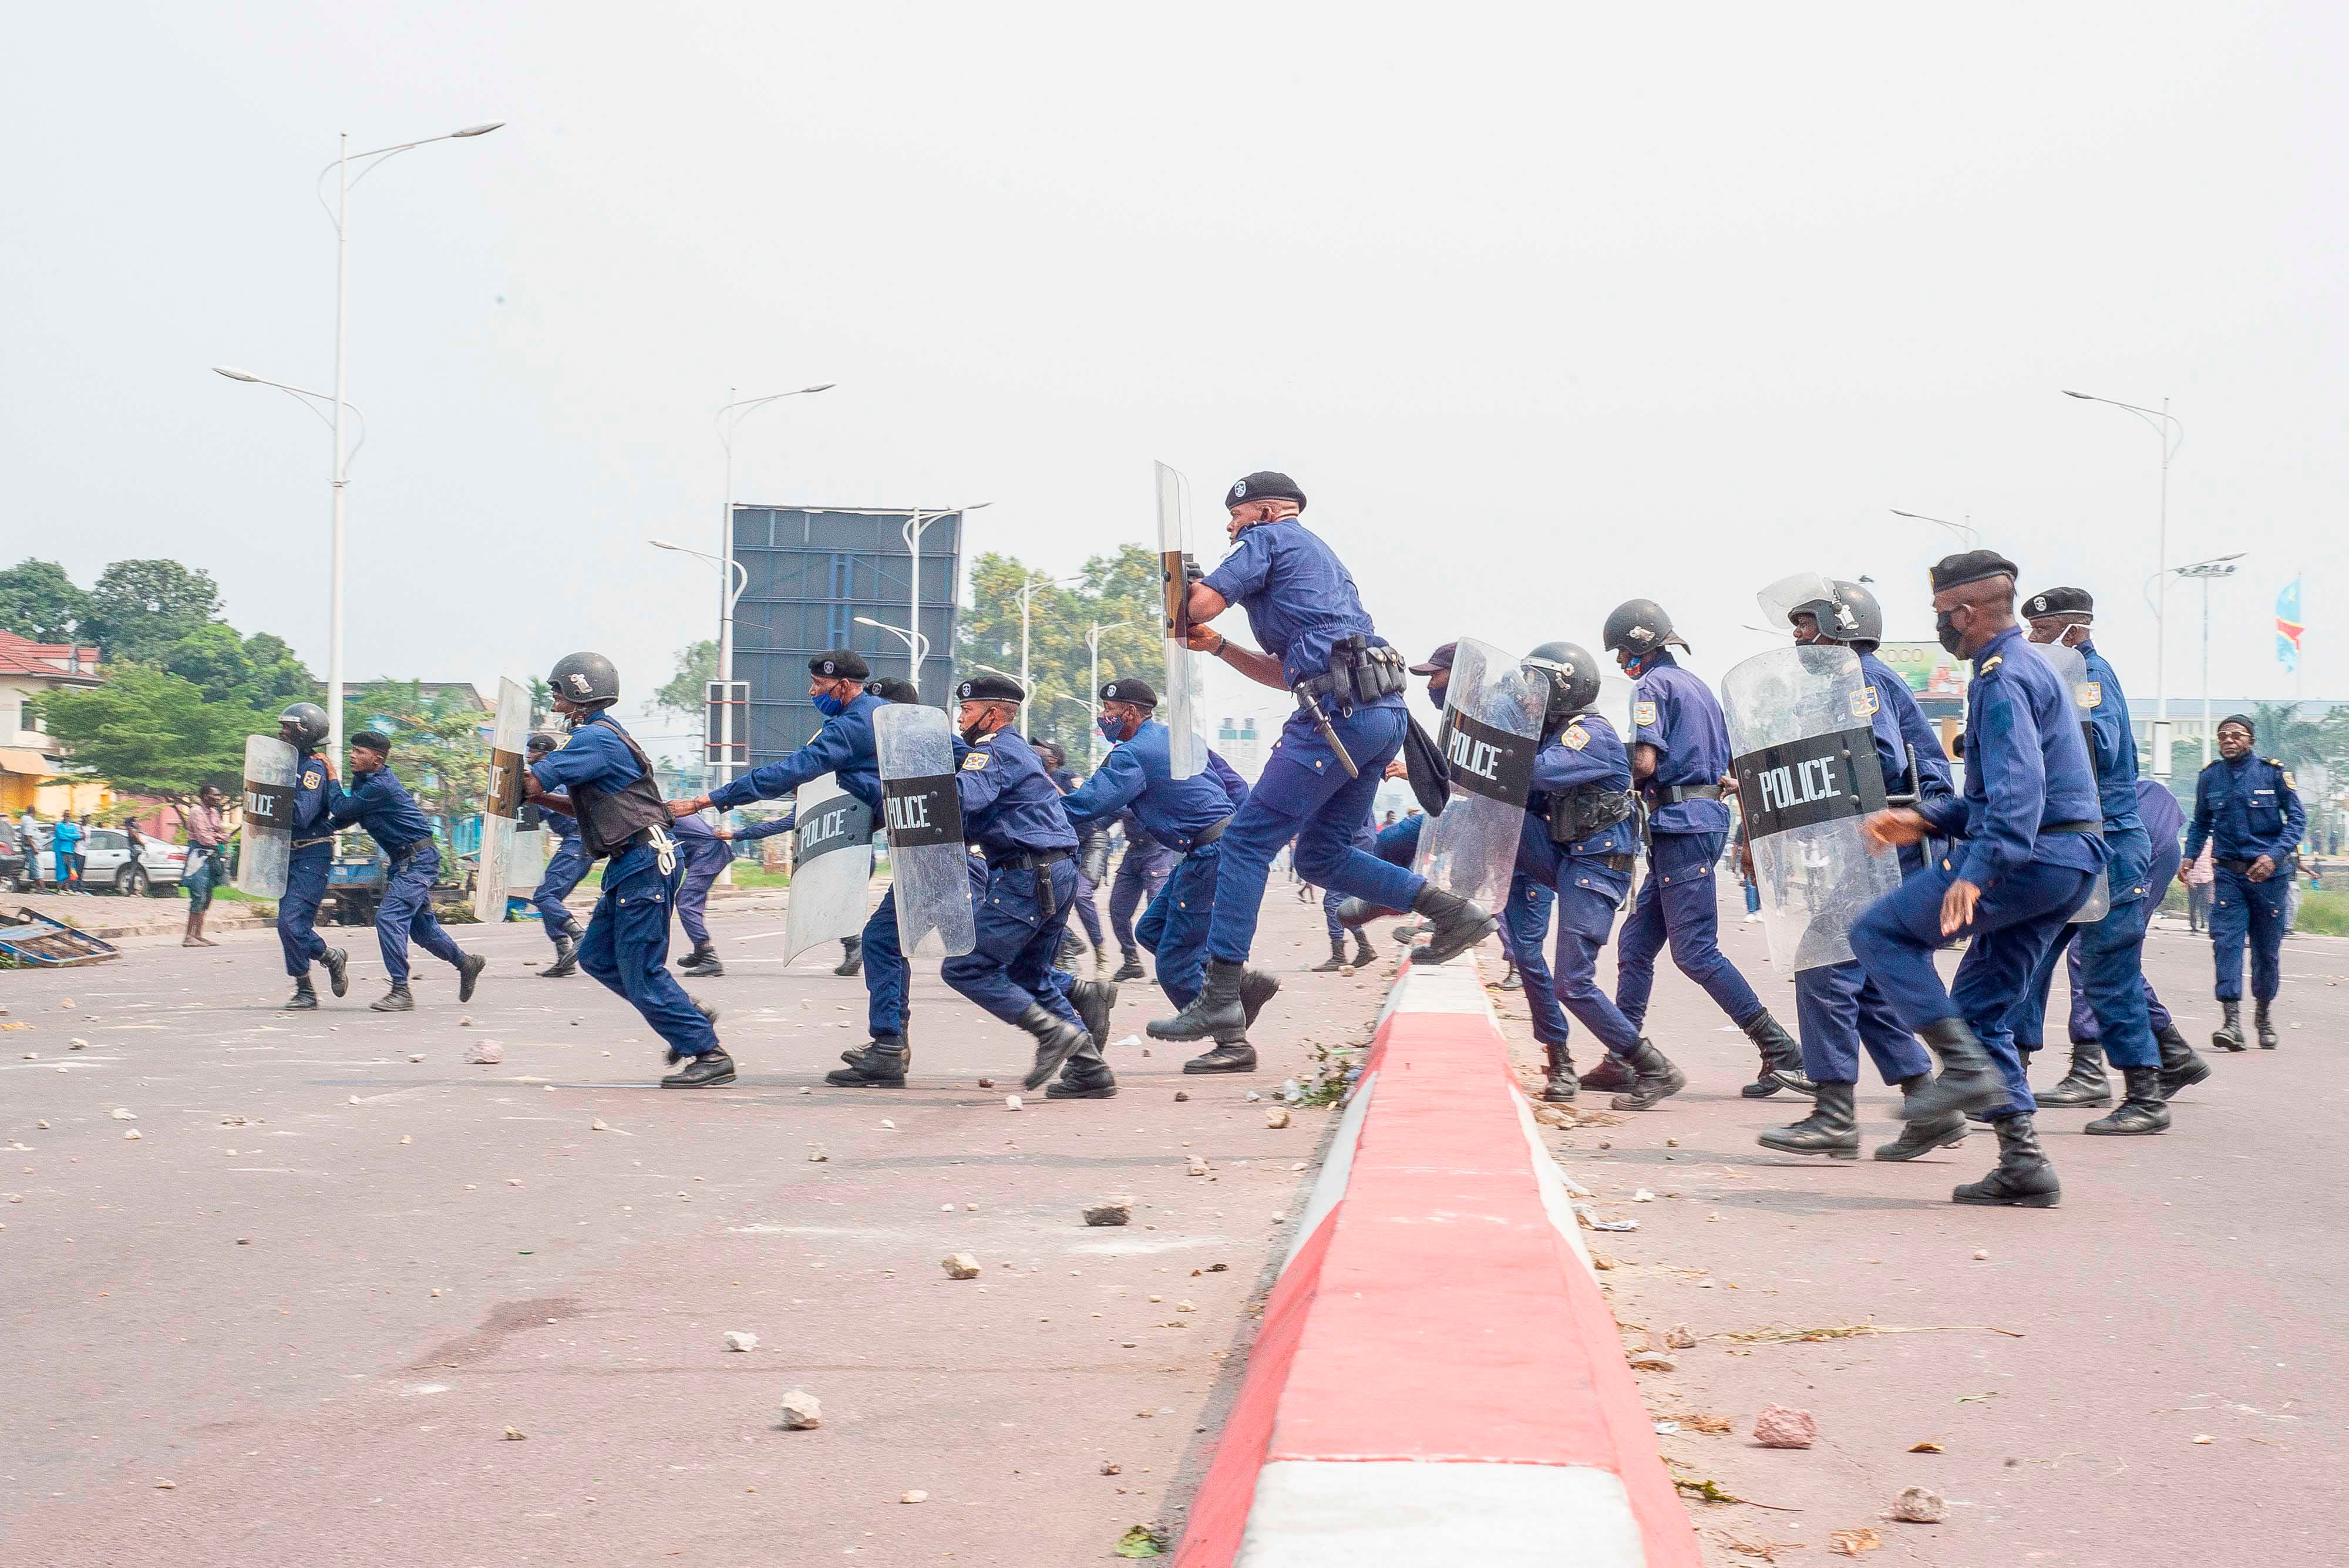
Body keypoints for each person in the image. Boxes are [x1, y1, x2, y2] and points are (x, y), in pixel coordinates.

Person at [1151, 473, 1495, 1049]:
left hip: (1336, 716)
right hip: (1374, 716)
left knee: (1245, 842)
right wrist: (1216, 646)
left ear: (1261, 512)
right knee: (1319, 855)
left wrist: (1182, 588)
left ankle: (1219, 1000)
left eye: (1233, 517)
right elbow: (1283, 671)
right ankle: (1453, 913)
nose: (1228, 528)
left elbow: (1199, 605)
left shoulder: (1267, 540)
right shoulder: (1321, 560)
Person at [1850, 551, 2105, 1208]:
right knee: (1981, 1010)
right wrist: (1922, 818)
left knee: (1878, 932)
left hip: (2030, 861)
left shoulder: (1999, 676)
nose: (1940, 627)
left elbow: (2020, 791)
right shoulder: (2024, 669)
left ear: (1964, 613)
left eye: (1940, 615)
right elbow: (1998, 798)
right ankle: (2024, 1163)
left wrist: (1981, 871)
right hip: (2064, 864)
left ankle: (1959, 1072)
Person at [1746, 580, 1967, 1161]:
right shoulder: (1847, 680)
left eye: (1806, 624)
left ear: (1841, 626)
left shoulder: (1859, 676)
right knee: (1864, 977)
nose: (1797, 637)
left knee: (1822, 963)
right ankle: (1927, 1100)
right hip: (1873, 839)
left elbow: (1882, 759)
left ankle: (1834, 1114)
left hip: (1887, 838)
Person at [844, 672, 1118, 1095]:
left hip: (1029, 875)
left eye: (968, 710)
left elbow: (959, 799)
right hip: (1053, 871)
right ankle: (1090, 1069)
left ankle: (1053, 1035)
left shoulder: (992, 753)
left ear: (992, 715)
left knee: (967, 967)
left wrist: (878, 788)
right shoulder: (1011, 750)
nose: (960, 718)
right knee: (1032, 976)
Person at [2004, 588, 2207, 1132]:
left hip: (2112, 841)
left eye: (2043, 631)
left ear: (2074, 631)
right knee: (2031, 956)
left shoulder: (2091, 677)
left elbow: (2101, 746)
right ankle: (2011, 1080)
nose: (2033, 639)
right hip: (2067, 841)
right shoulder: (2054, 681)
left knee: (2107, 967)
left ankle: (2145, 1096)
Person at [1588, 598, 1809, 1100]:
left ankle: (1781, 1049)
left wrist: (1600, 762)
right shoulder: (1699, 688)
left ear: (1639, 647)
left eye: (1623, 654)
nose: (1622, 665)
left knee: (1694, 950)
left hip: (1681, 825)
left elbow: (1644, 762)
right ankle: (1624, 1055)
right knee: (1636, 945)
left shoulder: (1651, 686)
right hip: (1699, 821)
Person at [667, 651, 896, 1069]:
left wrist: (709, 799)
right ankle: (889, 1048)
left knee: (971, 956)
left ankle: (1051, 1014)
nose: (813, 693)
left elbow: (790, 772)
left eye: (819, 686)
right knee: (883, 941)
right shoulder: (886, 714)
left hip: (935, 837)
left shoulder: (854, 725)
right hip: (917, 834)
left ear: (843, 686)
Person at [526, 652, 729, 1086]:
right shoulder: (604, 737)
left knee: (642, 970)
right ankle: (686, 1015)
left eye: (559, 693)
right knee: (598, 957)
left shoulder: (593, 740)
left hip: (645, 863)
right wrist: (536, 798)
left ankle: (709, 1053)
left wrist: (513, 782)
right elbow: (580, 803)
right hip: (631, 862)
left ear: (580, 693)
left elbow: (534, 780)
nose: (555, 702)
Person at [1061, 678, 1266, 1072]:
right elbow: (1237, 787)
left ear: (1131, 714)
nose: (1104, 720)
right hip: (1218, 848)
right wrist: (1248, 843)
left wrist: (1032, 812)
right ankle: (1236, 988)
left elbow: (1087, 804)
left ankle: (1232, 1043)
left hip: (1208, 854)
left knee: (1173, 962)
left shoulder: (1131, 755)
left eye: (1109, 713)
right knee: (1151, 931)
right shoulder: (1180, 738)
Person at [1512, 641, 1663, 1107]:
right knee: (1489, 816)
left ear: (1562, 690)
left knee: (1572, 983)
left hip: (1596, 867)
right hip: (1572, 857)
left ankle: (1652, 1067)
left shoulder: (1588, 735)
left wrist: (1491, 753)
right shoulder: (1558, 733)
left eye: (1536, 689)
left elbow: (1534, 774)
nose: (1528, 699)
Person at [2052, 777, 2210, 1095]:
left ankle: (2089, 1068)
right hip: (2123, 830)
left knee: (2095, 951)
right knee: (2110, 955)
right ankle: (2174, 1052)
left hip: (2134, 836)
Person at [327, 730, 486, 1012]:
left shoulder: (381, 786)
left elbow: (341, 806)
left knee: (388, 918)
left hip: (418, 861)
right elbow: (346, 816)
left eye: (359, 752)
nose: (352, 755)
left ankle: (401, 991)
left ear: (377, 760)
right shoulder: (366, 782)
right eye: (352, 750)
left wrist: (329, 775)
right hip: (406, 862)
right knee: (423, 931)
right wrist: (311, 831)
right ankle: (466, 963)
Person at [2184, 713, 2304, 1050]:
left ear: (2250, 740)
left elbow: (2296, 820)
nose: (2229, 740)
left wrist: (2274, 856)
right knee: (2226, 943)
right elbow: (2200, 823)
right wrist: (2189, 857)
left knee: (2267, 952)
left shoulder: (2273, 773)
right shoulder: (2210, 778)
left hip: (2270, 877)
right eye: (2223, 735)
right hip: (2229, 876)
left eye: (2236, 735)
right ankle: (2231, 1023)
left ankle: (2263, 1016)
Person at [271, 702, 351, 1011]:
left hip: (311, 855)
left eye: (288, 728)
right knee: (288, 924)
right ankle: (328, 959)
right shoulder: (284, 765)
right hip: (284, 856)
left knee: (291, 923)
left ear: (305, 734)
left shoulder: (313, 768)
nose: (282, 732)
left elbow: (301, 815)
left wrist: (273, 796)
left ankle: (307, 988)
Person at [671, 808, 794, 977]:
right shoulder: (663, 807)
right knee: (689, 899)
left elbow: (784, 824)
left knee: (686, 901)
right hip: (708, 852)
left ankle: (709, 957)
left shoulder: (657, 811)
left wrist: (738, 834)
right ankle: (701, 950)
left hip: (708, 853)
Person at [1039, 738, 1111, 976]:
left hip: (1091, 842)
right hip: (1064, 847)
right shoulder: (1032, 776)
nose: (1036, 751)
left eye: (1042, 748)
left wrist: (1095, 826)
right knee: (1045, 897)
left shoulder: (1068, 778)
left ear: (1054, 758)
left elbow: (1089, 806)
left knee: (1080, 894)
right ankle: (1068, 944)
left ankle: (1102, 956)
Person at [526, 732, 591, 977]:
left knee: (545, 896)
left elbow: (539, 811)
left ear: (544, 755)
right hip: (577, 843)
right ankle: (565, 955)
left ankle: (577, 935)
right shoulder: (550, 781)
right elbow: (536, 817)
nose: (529, 756)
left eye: (532, 752)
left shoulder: (554, 782)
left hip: (578, 842)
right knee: (548, 898)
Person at [1106, 805, 1176, 981]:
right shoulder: (1123, 791)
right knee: (1118, 910)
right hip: (1133, 853)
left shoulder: (1155, 786)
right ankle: (1131, 961)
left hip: (1157, 851)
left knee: (1158, 909)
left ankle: (1169, 965)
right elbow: (1100, 819)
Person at [1317, 817, 1381, 971]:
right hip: (1361, 846)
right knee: (1340, 901)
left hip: (1353, 847)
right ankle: (1365, 947)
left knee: (1333, 902)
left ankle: (1339, 956)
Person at [180, 785, 229, 946]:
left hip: (212, 857)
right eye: (214, 795)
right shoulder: (196, 811)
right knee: (198, 895)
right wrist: (217, 836)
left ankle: (199, 935)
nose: (218, 798)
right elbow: (202, 837)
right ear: (205, 796)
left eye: (219, 795)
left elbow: (225, 834)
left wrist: (215, 835)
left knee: (208, 896)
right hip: (198, 857)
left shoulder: (214, 813)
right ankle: (189, 936)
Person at [2184, 838, 2213, 931]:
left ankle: (2208, 924)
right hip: (2193, 879)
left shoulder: (2211, 847)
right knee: (2193, 904)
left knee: (2207, 903)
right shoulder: (2192, 849)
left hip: (2207, 878)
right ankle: (2193, 926)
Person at [51, 810, 83, 893]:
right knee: (62, 869)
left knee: (71, 870)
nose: (67, 817)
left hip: (71, 850)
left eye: (68, 815)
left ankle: (67, 888)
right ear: (63, 816)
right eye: (66, 815)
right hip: (62, 850)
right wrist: (72, 837)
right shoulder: (59, 825)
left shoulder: (73, 826)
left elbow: (77, 836)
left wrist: (68, 836)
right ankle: (60, 888)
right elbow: (61, 836)